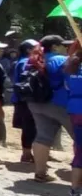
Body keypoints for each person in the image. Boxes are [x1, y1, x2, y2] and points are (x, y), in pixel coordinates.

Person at [28, 35, 75, 182]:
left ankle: (40, 173)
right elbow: (72, 80)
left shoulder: (33, 60)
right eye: (63, 45)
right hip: (60, 103)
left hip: (36, 102)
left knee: (42, 137)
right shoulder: (60, 60)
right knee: (79, 138)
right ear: (55, 47)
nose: (66, 48)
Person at [11, 40, 39, 163]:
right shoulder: (26, 62)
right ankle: (26, 154)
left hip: (21, 99)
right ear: (29, 49)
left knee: (30, 127)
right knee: (29, 127)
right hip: (25, 99)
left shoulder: (21, 61)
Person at [63, 41, 82, 196]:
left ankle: (75, 191)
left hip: (75, 110)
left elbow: (68, 87)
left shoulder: (71, 68)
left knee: (80, 151)